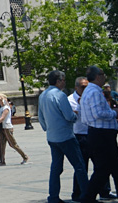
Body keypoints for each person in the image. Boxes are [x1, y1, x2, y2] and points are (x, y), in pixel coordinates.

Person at [81, 65, 118, 203]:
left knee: (115, 169)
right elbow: (99, 113)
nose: (105, 77)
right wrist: (115, 113)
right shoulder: (95, 92)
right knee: (105, 170)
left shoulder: (89, 91)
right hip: (102, 135)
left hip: (98, 134)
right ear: (98, 76)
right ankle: (88, 198)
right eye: (103, 74)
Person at [37, 70, 89, 203]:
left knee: (56, 168)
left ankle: (53, 197)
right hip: (66, 136)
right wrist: (75, 115)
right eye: (63, 80)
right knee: (79, 166)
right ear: (59, 81)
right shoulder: (60, 95)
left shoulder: (43, 95)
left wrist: (47, 128)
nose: (64, 83)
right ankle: (86, 195)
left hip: (52, 137)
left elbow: (41, 116)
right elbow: (69, 116)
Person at [70, 77, 113, 201]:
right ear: (76, 87)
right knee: (81, 166)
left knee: (101, 164)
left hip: (93, 134)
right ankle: (77, 194)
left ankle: (104, 191)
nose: (85, 89)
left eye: (87, 86)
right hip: (80, 135)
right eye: (82, 86)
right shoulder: (69, 100)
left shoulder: (90, 97)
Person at [0, 93, 29, 165]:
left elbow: (3, 118)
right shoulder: (1, 108)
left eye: (0, 100)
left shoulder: (6, 108)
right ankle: (2, 161)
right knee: (1, 145)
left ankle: (25, 157)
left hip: (7, 127)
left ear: (3, 100)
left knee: (13, 144)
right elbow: (0, 117)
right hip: (2, 128)